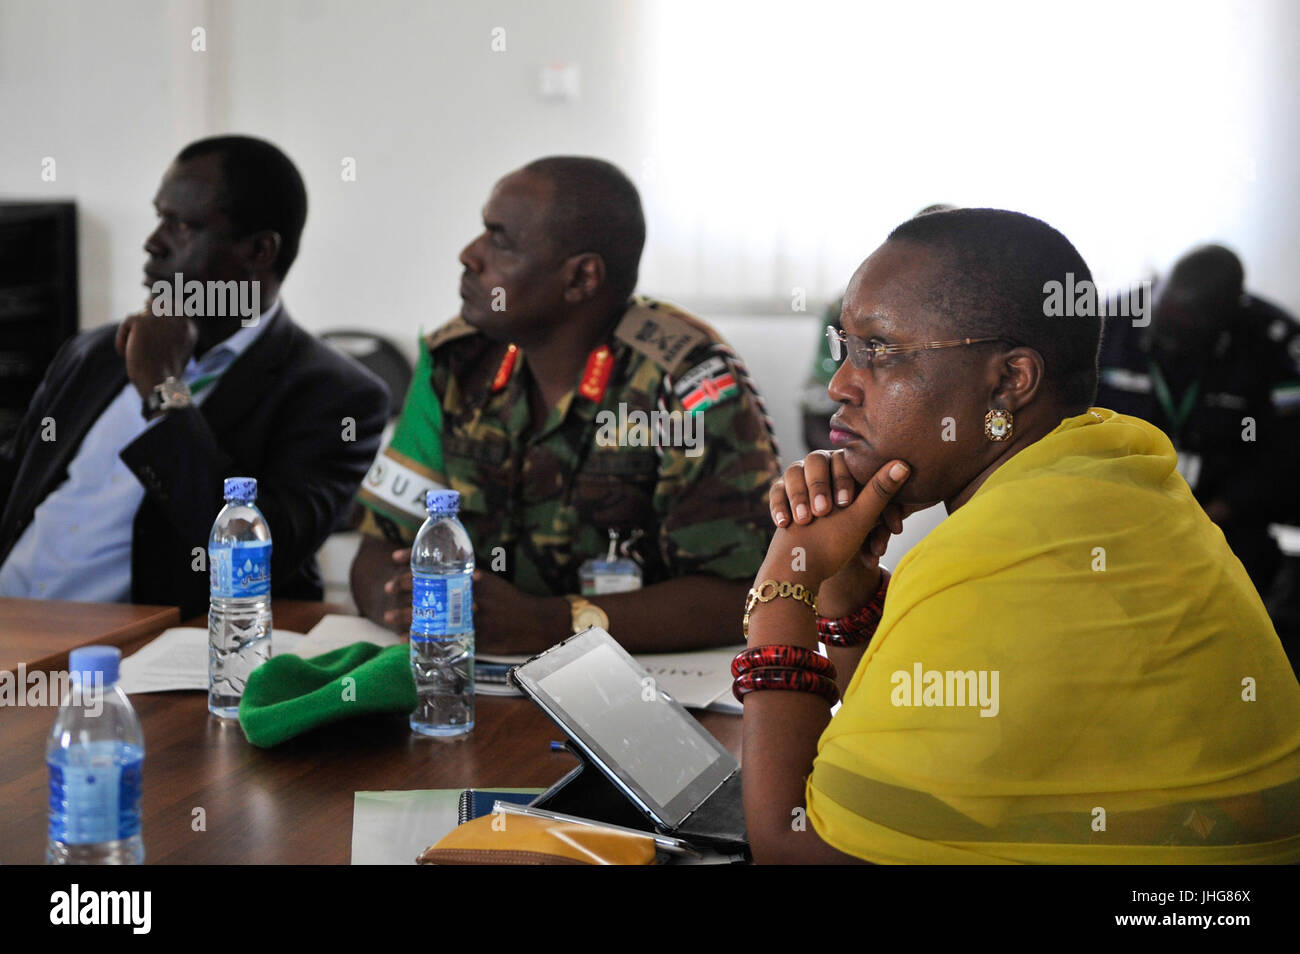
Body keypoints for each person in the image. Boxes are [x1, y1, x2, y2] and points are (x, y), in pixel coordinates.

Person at [741, 208, 1300, 864]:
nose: (840, 385)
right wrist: (843, 591)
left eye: (880, 351)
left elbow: (790, 846)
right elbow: (890, 742)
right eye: (847, 350)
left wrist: (786, 582)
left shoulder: (997, 560)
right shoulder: (1123, 485)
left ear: (1009, 382)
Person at [350, 156, 780, 655]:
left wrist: (550, 623)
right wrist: (402, 603)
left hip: (641, 690)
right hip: (478, 678)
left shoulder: (683, 380)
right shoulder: (457, 363)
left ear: (580, 278)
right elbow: (376, 549)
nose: (469, 255)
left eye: (500, 240)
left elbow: (747, 595)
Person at [0, 136, 390, 619]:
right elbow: (15, 479)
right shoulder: (96, 351)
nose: (152, 242)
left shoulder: (336, 395)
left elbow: (262, 555)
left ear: (259, 251)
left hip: (136, 658)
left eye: (181, 225)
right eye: (158, 216)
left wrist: (163, 391)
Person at [1096, 244, 1300, 602]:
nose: (1166, 344)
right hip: (1116, 510)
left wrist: (1212, 514)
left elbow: (1285, 453)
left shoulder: (1275, 345)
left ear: (1223, 320)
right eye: (1162, 328)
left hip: (1223, 519)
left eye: (1180, 337)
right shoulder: (1111, 325)